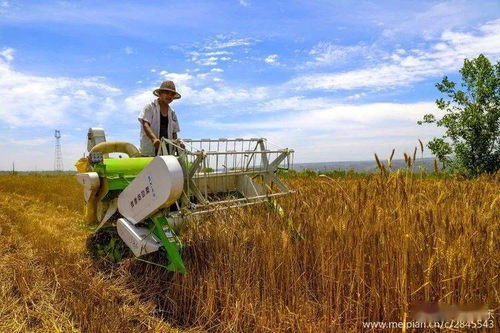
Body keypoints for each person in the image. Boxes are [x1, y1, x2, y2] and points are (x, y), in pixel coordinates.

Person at [138, 80, 181, 156]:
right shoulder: (150, 107)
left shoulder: (172, 113)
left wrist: (176, 146)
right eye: (167, 93)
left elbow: (174, 132)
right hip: (149, 152)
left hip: (167, 153)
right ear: (160, 94)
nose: (169, 96)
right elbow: (145, 124)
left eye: (172, 94)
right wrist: (154, 139)